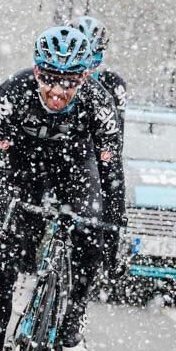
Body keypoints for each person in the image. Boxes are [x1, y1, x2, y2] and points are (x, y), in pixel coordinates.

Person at [0, 25, 126, 351]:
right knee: (4, 268)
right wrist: (4, 203)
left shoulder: (98, 102)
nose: (57, 92)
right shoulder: (13, 92)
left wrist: (114, 231)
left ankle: (72, 315)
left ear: (84, 77)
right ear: (36, 72)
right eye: (49, 80)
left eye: (68, 83)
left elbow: (111, 174)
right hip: (24, 172)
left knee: (92, 231)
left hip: (75, 173)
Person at [69, 15, 129, 289]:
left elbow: (117, 136)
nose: (89, 65)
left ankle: (79, 300)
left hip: (94, 153)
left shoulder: (113, 84)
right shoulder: (60, 75)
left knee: (100, 212)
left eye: (95, 56)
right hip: (61, 152)